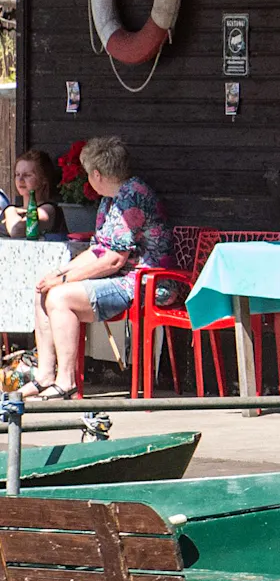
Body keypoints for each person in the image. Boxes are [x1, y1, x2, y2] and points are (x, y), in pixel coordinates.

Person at [29, 136, 174, 398]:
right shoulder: (111, 198)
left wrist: (64, 282)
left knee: (60, 297)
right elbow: (98, 249)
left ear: (97, 174)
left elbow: (113, 259)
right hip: (122, 277)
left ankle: (66, 381)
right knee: (44, 290)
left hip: (146, 282)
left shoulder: (133, 197)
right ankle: (44, 375)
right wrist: (59, 273)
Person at [4, 150, 61, 238]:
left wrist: (9, 210)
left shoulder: (48, 209)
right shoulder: (16, 209)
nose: (20, 180)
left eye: (27, 175)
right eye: (17, 174)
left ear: (44, 179)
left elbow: (17, 231)